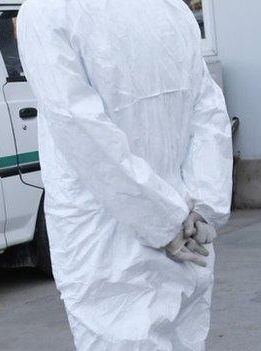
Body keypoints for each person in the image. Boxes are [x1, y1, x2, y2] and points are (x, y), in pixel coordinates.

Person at [17, 1, 232, 350]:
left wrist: (162, 221)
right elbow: (208, 112)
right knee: (185, 339)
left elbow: (81, 130)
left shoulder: (47, 11)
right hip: (187, 227)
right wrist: (202, 205)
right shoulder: (168, 8)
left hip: (105, 236)